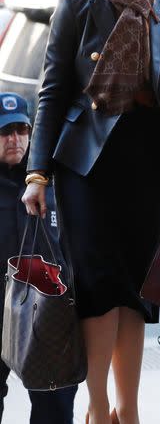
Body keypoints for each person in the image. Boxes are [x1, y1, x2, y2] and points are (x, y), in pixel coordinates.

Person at [22, 0, 160, 424]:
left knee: (137, 292)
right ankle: (98, 406)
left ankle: (130, 407)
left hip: (146, 166)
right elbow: (52, 93)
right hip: (87, 168)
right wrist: (38, 174)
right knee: (98, 289)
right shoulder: (77, 2)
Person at [0, 93, 78, 423]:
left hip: (47, 314)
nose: (14, 139)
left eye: (21, 129)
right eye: (5, 132)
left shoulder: (52, 179)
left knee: (55, 404)